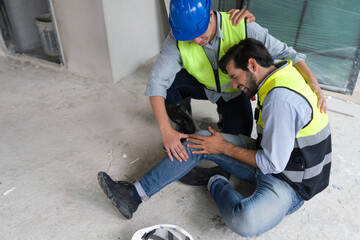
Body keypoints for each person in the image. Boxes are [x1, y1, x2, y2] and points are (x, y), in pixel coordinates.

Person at [97, 38, 332, 237]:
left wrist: (224, 149)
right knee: (201, 139)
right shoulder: (280, 74)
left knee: (245, 221)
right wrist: (218, 146)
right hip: (274, 157)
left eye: (234, 76)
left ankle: (215, 180)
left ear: (252, 64)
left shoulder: (280, 100)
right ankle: (133, 194)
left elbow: (273, 163)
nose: (233, 83)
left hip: (290, 184)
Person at [147, 0, 327, 164]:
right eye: (189, 37)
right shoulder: (177, 37)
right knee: (169, 83)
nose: (195, 41)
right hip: (202, 85)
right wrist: (166, 131)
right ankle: (184, 123)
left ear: (211, 15)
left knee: (237, 145)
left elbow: (289, 55)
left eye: (200, 34)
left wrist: (312, 82)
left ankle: (226, 120)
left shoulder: (243, 26)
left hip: (233, 92)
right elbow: (157, 81)